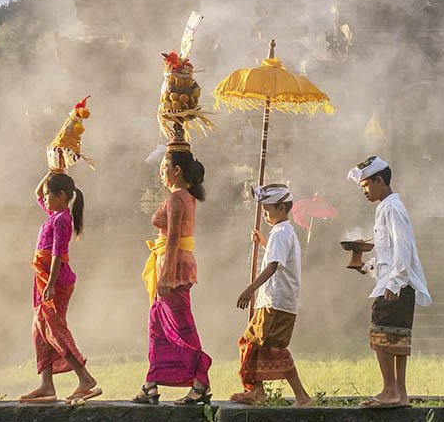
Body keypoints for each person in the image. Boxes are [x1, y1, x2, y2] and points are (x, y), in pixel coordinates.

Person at [348, 156, 431, 408]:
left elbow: (403, 247)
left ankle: (389, 391)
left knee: (382, 334)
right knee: (395, 338)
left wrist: (395, 282)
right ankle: (399, 394)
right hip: (393, 282)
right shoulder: (384, 208)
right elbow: (388, 253)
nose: (364, 191)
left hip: (397, 285)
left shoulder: (392, 208)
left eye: (366, 186)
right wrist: (367, 266)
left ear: (379, 180)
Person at [132, 146, 213, 405]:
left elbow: (174, 239)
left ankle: (200, 382)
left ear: (177, 170)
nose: (161, 173)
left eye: (164, 168)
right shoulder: (180, 196)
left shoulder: (178, 197)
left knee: (180, 327)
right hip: (169, 265)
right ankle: (150, 385)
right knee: (157, 325)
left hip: (173, 268)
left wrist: (166, 277)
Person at [19, 171, 100, 404]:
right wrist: (52, 171)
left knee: (54, 329)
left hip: (57, 279)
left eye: (48, 196)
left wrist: (52, 284)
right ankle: (46, 385)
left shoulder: (63, 219)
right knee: (39, 330)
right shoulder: (53, 215)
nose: (43, 199)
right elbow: (36, 192)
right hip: (43, 278)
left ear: (62, 195)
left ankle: (85, 378)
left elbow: (57, 254)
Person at [231, 184, 312, 407]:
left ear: (282, 208)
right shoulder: (282, 233)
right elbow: (277, 257)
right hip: (271, 301)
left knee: (273, 348)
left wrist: (250, 289)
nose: (265, 214)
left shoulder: (281, 232)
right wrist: (263, 242)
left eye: (268, 209)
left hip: (276, 302)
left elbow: (273, 266)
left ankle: (302, 396)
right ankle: (256, 391)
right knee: (251, 342)